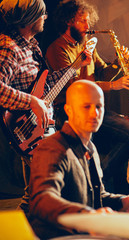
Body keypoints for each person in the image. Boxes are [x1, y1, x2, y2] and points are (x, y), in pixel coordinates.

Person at [0, 0, 92, 211]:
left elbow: (47, 83)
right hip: (24, 128)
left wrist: (77, 65)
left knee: (36, 190)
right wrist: (31, 101)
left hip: (40, 125)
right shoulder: (9, 47)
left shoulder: (30, 44)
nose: (46, 17)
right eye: (41, 14)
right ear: (29, 18)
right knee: (46, 186)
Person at [45, 0, 129, 194]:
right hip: (72, 111)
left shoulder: (86, 46)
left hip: (93, 106)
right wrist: (114, 85)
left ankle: (119, 198)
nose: (88, 27)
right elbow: (76, 88)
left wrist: (117, 62)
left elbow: (102, 71)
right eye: (83, 21)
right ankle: (94, 177)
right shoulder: (58, 49)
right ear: (68, 22)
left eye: (88, 21)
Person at [29, 80, 129, 239]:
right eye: (86, 106)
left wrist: (122, 202)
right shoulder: (53, 148)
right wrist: (88, 216)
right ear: (68, 110)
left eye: (99, 106)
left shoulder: (90, 148)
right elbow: (42, 200)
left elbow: (95, 196)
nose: (95, 113)